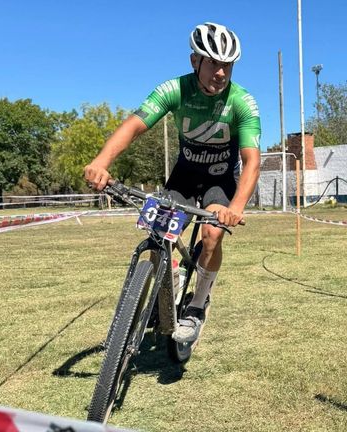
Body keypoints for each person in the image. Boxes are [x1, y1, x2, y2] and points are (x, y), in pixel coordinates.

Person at [84, 22, 261, 343]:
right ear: (195, 61)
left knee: (212, 234)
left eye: (227, 65)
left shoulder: (242, 102)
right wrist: (101, 162)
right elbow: (134, 126)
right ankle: (170, 285)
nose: (221, 72)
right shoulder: (174, 90)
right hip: (185, 174)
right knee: (159, 231)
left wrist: (236, 207)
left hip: (221, 179)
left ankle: (198, 304)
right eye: (213, 63)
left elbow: (252, 161)